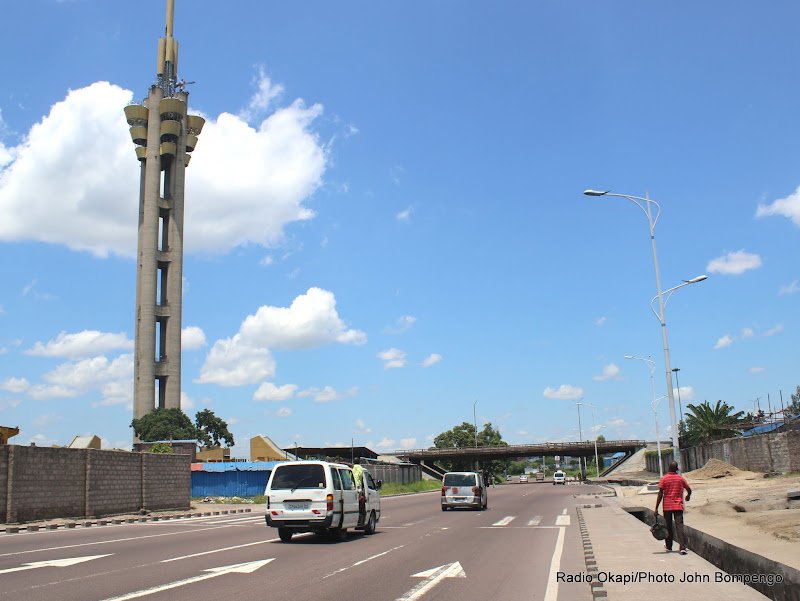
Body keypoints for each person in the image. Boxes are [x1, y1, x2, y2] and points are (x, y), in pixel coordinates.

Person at [655, 460, 692, 555]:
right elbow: (688, 489)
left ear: (668, 468)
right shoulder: (680, 479)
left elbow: (660, 494)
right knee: (679, 526)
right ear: (677, 469)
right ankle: (682, 547)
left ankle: (669, 546)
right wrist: (688, 496)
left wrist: (656, 508)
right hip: (678, 506)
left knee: (668, 526)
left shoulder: (664, 479)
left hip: (667, 507)